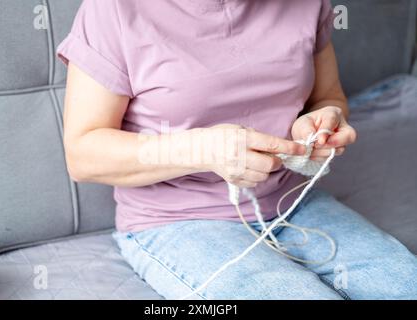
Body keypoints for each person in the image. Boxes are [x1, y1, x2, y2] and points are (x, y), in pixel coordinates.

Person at [57, 0, 417, 299]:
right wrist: (202, 150)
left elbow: (327, 96)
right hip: (178, 220)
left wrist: (324, 120)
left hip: (292, 201)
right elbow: (83, 154)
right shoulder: (115, 10)